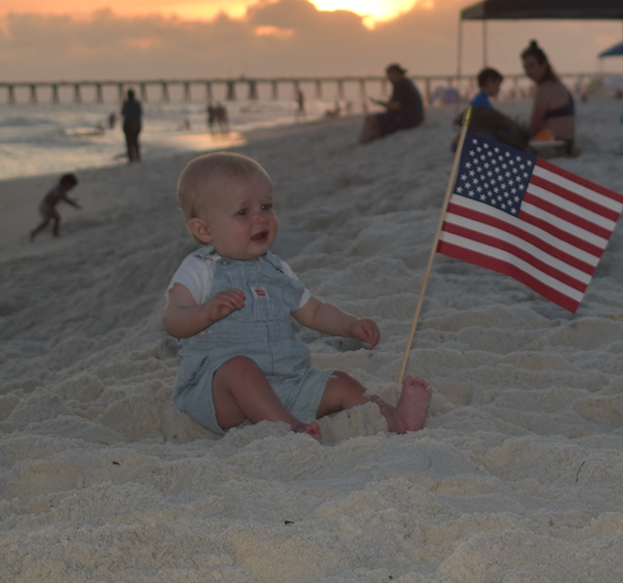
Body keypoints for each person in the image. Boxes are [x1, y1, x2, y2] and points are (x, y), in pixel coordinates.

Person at [162, 152, 431, 439]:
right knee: (240, 370)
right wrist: (204, 313)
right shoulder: (201, 268)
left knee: (342, 383)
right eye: (243, 212)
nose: (260, 218)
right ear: (204, 230)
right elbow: (172, 318)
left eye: (267, 206)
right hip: (220, 395)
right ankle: (291, 428)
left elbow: (313, 311)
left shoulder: (277, 269)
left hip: (285, 383)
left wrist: (350, 325)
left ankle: (395, 417)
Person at [456, 67, 530, 150]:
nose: (498, 89)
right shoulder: (482, 102)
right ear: (489, 81)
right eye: (497, 85)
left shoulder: (479, 99)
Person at [522, 40, 575, 145]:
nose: (528, 71)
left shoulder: (544, 90)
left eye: (531, 65)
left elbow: (534, 127)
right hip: (568, 142)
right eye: (525, 67)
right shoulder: (557, 85)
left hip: (552, 144)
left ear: (544, 65)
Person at [358, 62, 424, 143]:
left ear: (394, 73)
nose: (388, 78)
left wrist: (379, 103)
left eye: (389, 75)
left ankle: (362, 142)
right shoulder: (405, 82)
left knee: (371, 119)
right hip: (415, 118)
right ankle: (368, 141)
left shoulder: (400, 84)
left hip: (407, 118)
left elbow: (395, 106)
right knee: (379, 124)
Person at [28, 173, 80, 241]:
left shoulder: (59, 188)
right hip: (47, 206)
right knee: (57, 218)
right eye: (71, 186)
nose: (71, 189)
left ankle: (34, 232)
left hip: (45, 206)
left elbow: (64, 198)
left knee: (47, 222)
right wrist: (74, 204)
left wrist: (71, 201)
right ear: (66, 183)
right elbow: (64, 198)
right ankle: (55, 234)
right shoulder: (61, 189)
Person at [121, 89, 144, 162]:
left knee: (129, 141)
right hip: (136, 125)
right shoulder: (137, 103)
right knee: (136, 140)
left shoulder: (126, 103)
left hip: (128, 124)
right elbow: (140, 113)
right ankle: (137, 156)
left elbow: (122, 113)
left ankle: (131, 158)